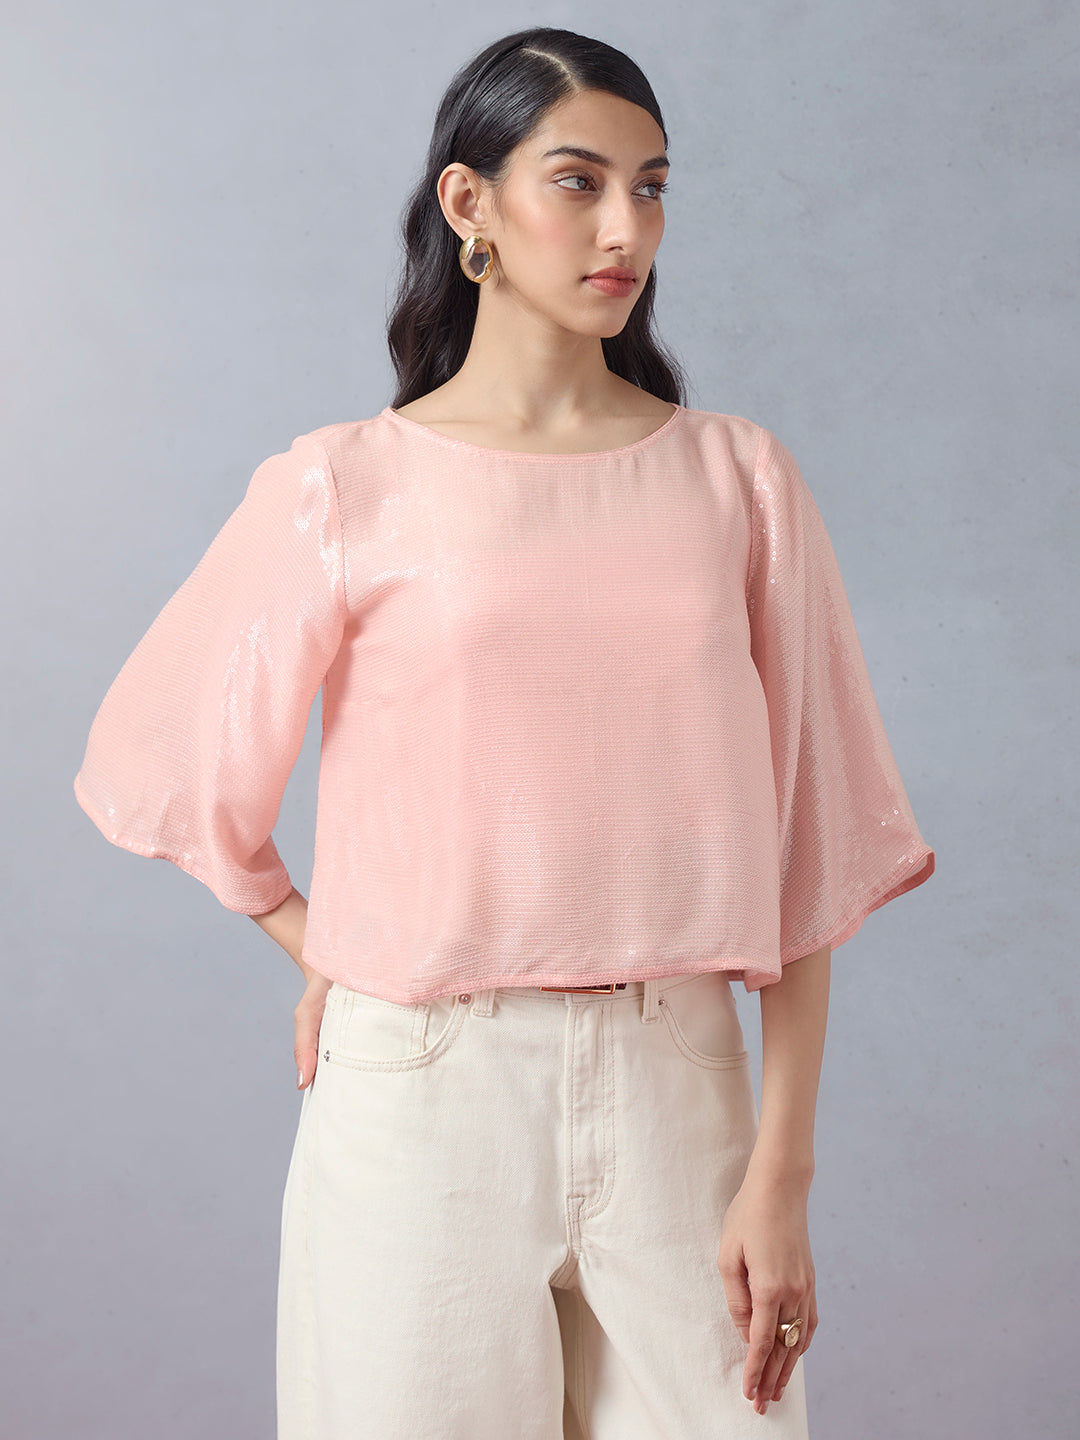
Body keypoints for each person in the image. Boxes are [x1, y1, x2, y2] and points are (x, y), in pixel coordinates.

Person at [72, 26, 935, 1440]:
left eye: (652, 188)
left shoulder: (738, 482)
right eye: (579, 182)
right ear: (470, 203)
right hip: (422, 1097)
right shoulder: (347, 486)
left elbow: (809, 844)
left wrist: (783, 1173)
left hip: (680, 1085)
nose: (625, 229)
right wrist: (340, 951)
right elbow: (170, 760)